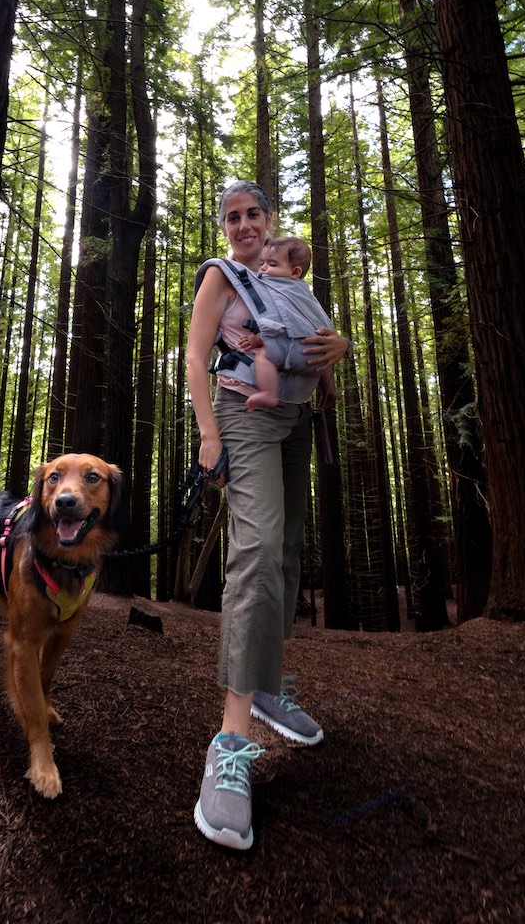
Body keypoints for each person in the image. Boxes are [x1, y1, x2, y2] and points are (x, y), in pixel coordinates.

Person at [187, 181, 349, 851]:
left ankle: (268, 687)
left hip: (296, 420)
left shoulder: (290, 279)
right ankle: (232, 741)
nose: (245, 224)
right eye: (234, 217)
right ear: (225, 227)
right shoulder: (222, 278)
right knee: (255, 553)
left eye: (254, 214)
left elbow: (318, 356)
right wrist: (208, 436)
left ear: (270, 220)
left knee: (286, 553)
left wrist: (340, 352)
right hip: (239, 417)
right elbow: (196, 355)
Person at [237, 235, 332, 412]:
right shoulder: (305, 293)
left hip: (298, 350)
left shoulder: (277, 288)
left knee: (263, 355)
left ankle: (268, 393)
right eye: (262, 263)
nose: (263, 269)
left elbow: (276, 323)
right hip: (321, 358)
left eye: (272, 264)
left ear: (295, 272)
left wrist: (257, 339)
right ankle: (330, 393)